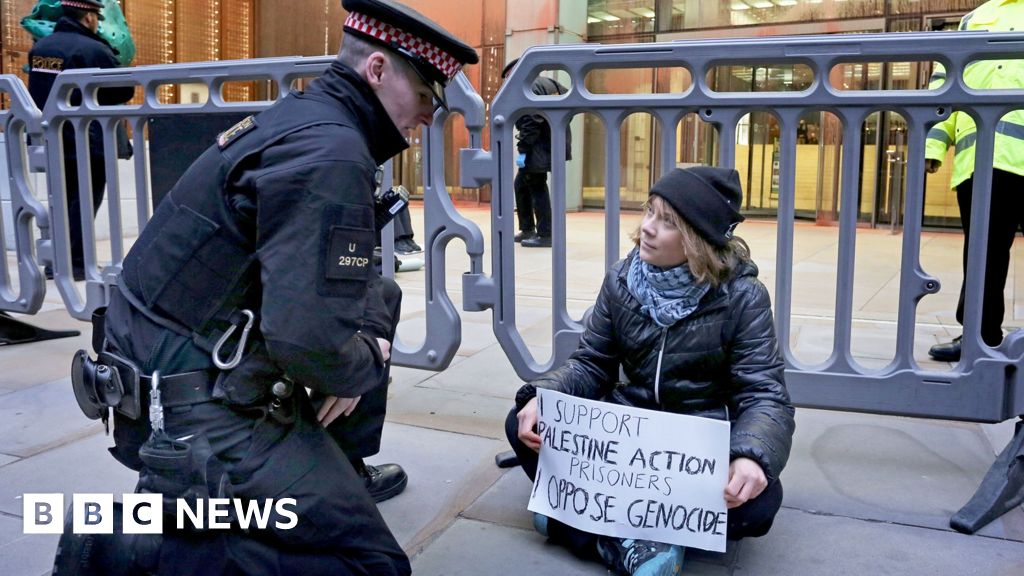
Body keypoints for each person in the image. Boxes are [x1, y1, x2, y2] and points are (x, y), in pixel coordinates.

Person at [60, 0, 477, 574]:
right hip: (196, 409)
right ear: (377, 70)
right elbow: (307, 343)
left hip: (163, 366)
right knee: (369, 564)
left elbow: (333, 285)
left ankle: (327, 472)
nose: (430, 116)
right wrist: (364, 361)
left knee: (377, 302)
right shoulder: (332, 153)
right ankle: (131, 547)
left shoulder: (306, 119)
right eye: (426, 96)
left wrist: (355, 349)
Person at [505, 166, 795, 575]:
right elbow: (591, 362)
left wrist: (750, 457)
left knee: (760, 504)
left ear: (698, 239)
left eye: (668, 221)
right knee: (524, 420)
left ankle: (579, 525)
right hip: (627, 440)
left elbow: (764, 394)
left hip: (695, 448)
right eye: (649, 211)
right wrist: (545, 395)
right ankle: (641, 538)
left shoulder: (743, 297)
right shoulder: (622, 279)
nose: (647, 227)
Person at [924, 0, 1024, 362]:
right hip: (983, 158)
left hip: (1008, 154)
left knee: (986, 253)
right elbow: (945, 84)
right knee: (984, 255)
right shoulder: (975, 18)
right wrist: (933, 143)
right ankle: (979, 338)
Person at [27, 0, 134, 281]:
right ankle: (75, 263)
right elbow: (122, 90)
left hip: (52, 137)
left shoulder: (41, 48)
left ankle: (55, 262)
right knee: (84, 202)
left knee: (60, 201)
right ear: (88, 17)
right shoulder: (93, 49)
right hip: (88, 139)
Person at [502, 57, 571, 248]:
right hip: (553, 143)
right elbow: (569, 105)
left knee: (536, 186)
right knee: (522, 184)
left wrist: (523, 149)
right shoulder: (550, 83)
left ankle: (545, 234)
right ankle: (528, 229)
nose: (507, 81)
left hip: (538, 147)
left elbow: (531, 121)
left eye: (508, 77)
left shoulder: (529, 86)